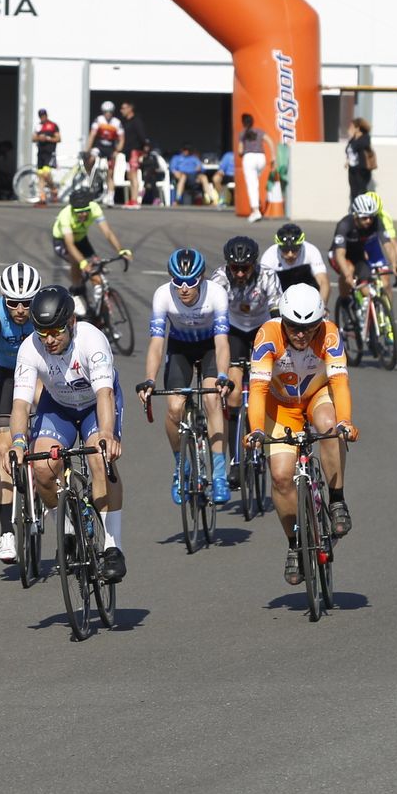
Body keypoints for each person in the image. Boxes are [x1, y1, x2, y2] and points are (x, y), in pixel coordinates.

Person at [9, 285, 128, 583]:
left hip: (94, 406)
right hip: (58, 407)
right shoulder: (29, 348)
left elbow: (104, 394)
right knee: (42, 467)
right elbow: (20, 404)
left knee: (100, 457)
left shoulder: (92, 340)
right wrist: (18, 442)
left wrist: (107, 434)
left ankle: (113, 547)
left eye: (56, 331)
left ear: (72, 322)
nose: (49, 340)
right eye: (42, 332)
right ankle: (69, 530)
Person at [243, 285, 358, 585]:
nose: (301, 334)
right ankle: (295, 545)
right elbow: (257, 389)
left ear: (320, 323)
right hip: (280, 406)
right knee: (281, 477)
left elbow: (340, 384)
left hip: (316, 396)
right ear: (282, 320)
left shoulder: (330, 334)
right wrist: (256, 429)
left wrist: (346, 421)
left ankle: (337, 500)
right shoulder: (268, 335)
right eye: (294, 327)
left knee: (330, 427)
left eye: (309, 328)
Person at [139, 248, 232, 505]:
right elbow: (157, 344)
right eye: (177, 281)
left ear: (201, 278)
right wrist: (150, 379)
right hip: (180, 348)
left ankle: (220, 475)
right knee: (174, 408)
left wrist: (222, 375)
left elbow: (222, 343)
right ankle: (181, 467)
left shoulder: (216, 293)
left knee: (213, 399)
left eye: (190, 281)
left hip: (210, 347)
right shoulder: (162, 295)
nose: (183, 288)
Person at [0, 261, 42, 562]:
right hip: (7, 375)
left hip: (40, 373)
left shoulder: (43, 309)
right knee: (3, 449)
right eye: (13, 303)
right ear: (4, 299)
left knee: (46, 437)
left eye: (27, 303)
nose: (21, 310)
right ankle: (6, 532)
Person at [210, 236, 282, 487]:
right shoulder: (219, 279)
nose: (240, 273)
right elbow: (212, 317)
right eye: (235, 268)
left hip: (263, 327)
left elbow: (277, 315)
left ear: (254, 265)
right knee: (233, 396)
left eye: (245, 268)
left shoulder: (268, 276)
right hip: (235, 330)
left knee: (270, 384)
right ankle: (236, 460)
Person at [51, 187, 132, 314]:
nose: (83, 214)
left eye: (86, 211)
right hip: (63, 242)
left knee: (96, 272)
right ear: (73, 210)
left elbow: (108, 232)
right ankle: (76, 293)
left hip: (81, 239)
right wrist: (83, 262)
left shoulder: (94, 208)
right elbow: (70, 245)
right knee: (75, 261)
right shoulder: (65, 215)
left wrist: (121, 250)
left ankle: (101, 308)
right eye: (79, 212)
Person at [329, 194, 395, 308]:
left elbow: (388, 245)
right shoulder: (344, 225)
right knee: (349, 271)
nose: (369, 221)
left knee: (365, 281)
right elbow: (340, 255)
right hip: (338, 255)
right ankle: (344, 301)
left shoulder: (376, 221)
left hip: (357, 254)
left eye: (371, 217)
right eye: (364, 218)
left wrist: (394, 264)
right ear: (355, 216)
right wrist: (347, 275)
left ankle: (365, 310)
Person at [261, 223, 331, 299]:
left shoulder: (311, 250)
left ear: (300, 246)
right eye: (285, 250)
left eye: (294, 249)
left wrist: (322, 304)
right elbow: (263, 288)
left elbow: (323, 282)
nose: (290, 254)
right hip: (281, 290)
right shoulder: (269, 256)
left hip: (306, 287)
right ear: (279, 247)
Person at [356, 189, 397, 277]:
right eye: (366, 216)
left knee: (385, 279)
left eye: (374, 215)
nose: (370, 220)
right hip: (358, 243)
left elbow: (392, 242)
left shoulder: (384, 218)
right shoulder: (356, 218)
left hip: (373, 244)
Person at [237, 113, 271, 222]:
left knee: (252, 185)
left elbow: (240, 150)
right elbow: (269, 141)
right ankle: (257, 202)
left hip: (249, 158)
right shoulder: (259, 131)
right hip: (261, 158)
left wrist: (241, 152)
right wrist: (273, 155)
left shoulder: (242, 134)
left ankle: (256, 211)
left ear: (243, 123)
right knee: (255, 182)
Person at [88, 101, 123, 204]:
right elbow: (92, 135)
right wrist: (87, 149)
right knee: (91, 158)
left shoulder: (117, 122)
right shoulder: (99, 120)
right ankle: (91, 175)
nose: (108, 114)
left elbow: (121, 139)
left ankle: (110, 197)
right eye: (106, 112)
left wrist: (117, 151)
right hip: (99, 146)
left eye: (110, 112)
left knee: (110, 174)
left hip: (110, 148)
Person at [119, 101, 149, 208]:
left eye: (124, 108)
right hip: (128, 152)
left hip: (135, 151)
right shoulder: (125, 122)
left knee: (133, 174)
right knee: (129, 175)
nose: (122, 111)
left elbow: (142, 136)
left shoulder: (136, 121)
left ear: (130, 108)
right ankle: (132, 199)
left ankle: (135, 200)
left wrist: (145, 148)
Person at [31, 108, 62, 206]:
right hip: (41, 153)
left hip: (50, 152)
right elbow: (33, 138)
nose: (42, 117)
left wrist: (47, 138)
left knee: (46, 174)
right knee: (40, 174)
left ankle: (53, 189)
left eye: (43, 115)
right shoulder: (38, 126)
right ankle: (42, 197)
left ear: (46, 115)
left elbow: (58, 138)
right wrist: (39, 138)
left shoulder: (53, 125)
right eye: (41, 116)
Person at [343, 117, 374, 201]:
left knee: (362, 190)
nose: (350, 128)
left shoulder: (365, 137)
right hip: (352, 168)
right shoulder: (353, 139)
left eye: (352, 126)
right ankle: (354, 207)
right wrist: (347, 160)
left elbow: (360, 146)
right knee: (353, 191)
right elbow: (349, 150)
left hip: (362, 169)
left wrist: (354, 137)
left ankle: (363, 207)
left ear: (358, 128)